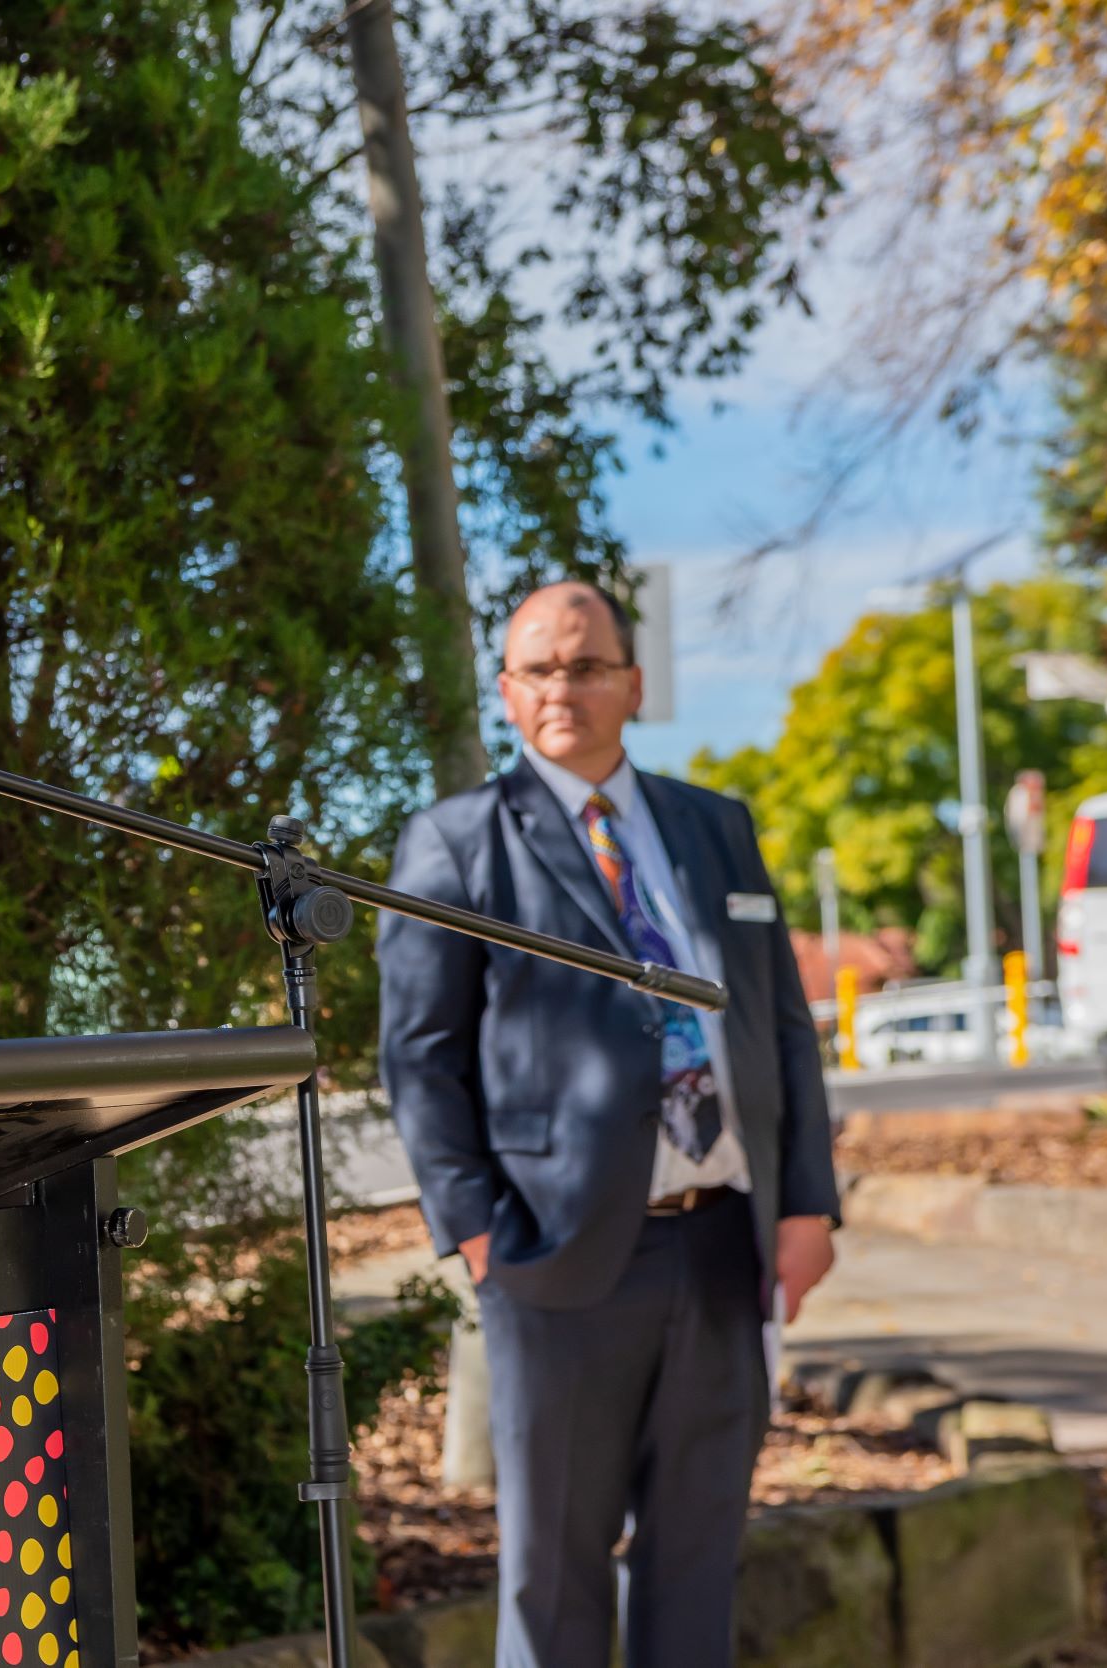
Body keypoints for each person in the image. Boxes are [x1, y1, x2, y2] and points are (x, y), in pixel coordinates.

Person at [377, 580, 839, 1668]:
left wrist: (808, 1202)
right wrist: (478, 1232)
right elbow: (419, 1058)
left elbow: (782, 1028)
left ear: (632, 684)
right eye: (537, 668)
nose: (561, 689)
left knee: (694, 1557)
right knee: (555, 1573)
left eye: (585, 666)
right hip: (553, 1256)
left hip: (724, 1243)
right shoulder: (457, 844)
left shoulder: (715, 829)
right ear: (505, 691)